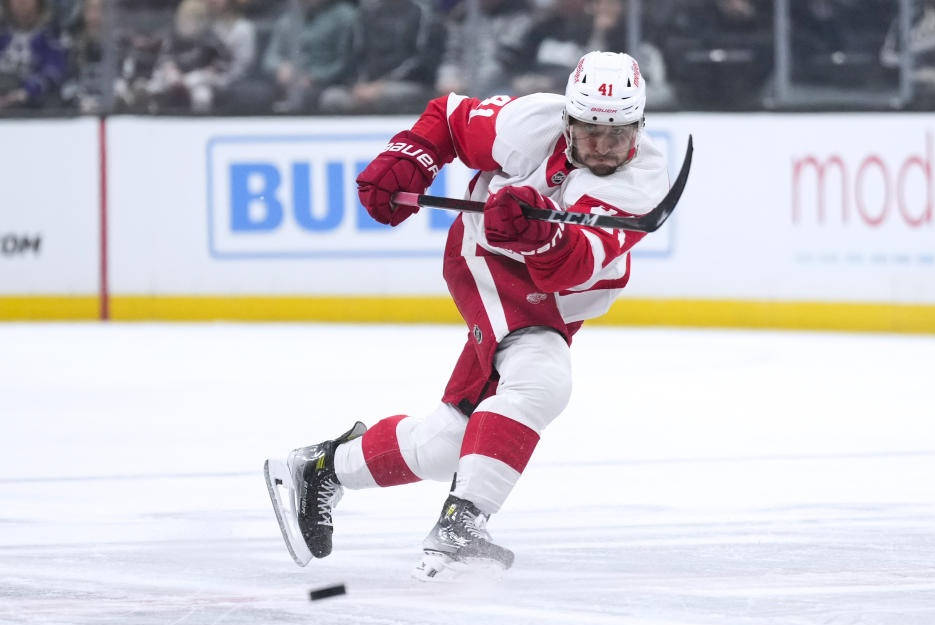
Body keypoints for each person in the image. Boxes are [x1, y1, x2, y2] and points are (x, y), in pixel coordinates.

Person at [265, 50, 669, 580]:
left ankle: (320, 470)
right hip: (486, 260)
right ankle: (461, 524)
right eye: (589, 130)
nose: (601, 147)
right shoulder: (530, 123)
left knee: (448, 443)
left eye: (616, 135)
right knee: (541, 378)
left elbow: (569, 267)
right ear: (567, 118)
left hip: (553, 293)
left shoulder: (642, 180)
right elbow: (450, 119)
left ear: (638, 128)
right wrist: (409, 159)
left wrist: (538, 230)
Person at [0, 0, 66, 111]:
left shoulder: (52, 35)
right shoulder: (2, 34)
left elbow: (53, 72)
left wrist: (26, 93)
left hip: (35, 109)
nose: (22, 2)